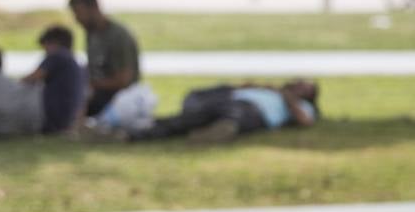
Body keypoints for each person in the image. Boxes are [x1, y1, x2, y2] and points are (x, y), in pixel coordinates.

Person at [127, 80, 320, 143]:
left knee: (235, 116)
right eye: (300, 81)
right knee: (185, 119)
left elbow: (305, 121)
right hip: (231, 100)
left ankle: (221, 129)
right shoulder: (270, 89)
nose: (299, 84)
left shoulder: (302, 105)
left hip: (254, 111)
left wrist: (288, 98)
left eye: (306, 87)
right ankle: (136, 132)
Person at [68, 0, 141, 118]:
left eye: (78, 13)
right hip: (97, 92)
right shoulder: (92, 34)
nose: (77, 19)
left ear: (93, 8)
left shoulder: (118, 36)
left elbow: (124, 80)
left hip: (117, 97)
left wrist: (91, 85)